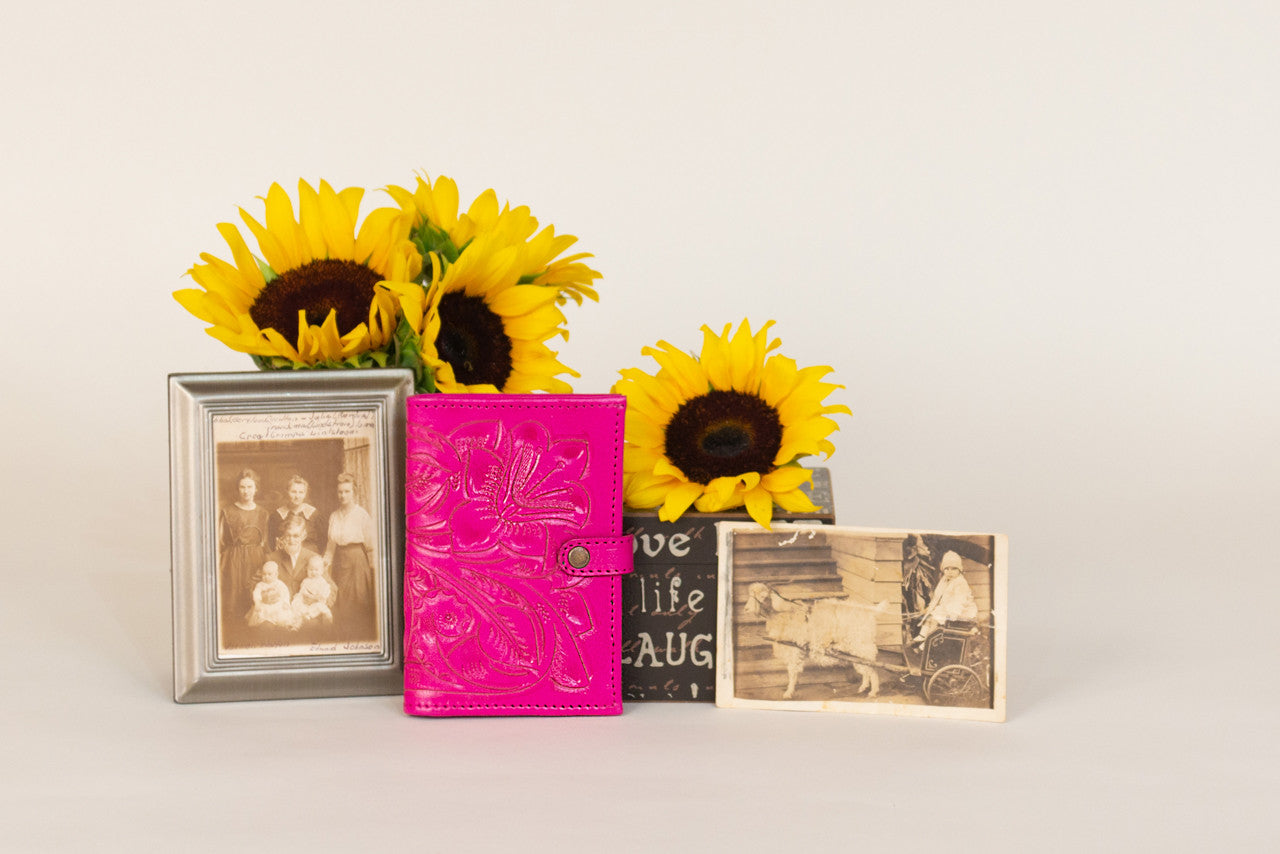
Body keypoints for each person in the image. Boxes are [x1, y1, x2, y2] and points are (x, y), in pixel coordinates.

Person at [325, 473, 376, 639]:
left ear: (354, 492)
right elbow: (330, 545)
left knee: (358, 600)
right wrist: (325, 564)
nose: (343, 495)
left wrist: (371, 569)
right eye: (340, 492)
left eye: (347, 491)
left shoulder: (361, 515)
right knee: (340, 601)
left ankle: (359, 639)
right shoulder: (334, 516)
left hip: (357, 561)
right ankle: (342, 639)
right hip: (339, 562)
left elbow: (371, 545)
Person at [218, 468, 271, 623]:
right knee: (233, 602)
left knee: (254, 597)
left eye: (249, 487)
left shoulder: (263, 513)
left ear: (256, 489)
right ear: (238, 488)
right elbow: (220, 541)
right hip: (234, 559)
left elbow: (266, 542)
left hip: (256, 558)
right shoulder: (227, 511)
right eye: (242, 487)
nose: (246, 491)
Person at [913, 550, 978, 646]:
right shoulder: (944, 580)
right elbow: (937, 596)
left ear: (959, 570)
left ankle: (928, 642)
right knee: (930, 615)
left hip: (962, 611)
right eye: (947, 569)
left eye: (953, 569)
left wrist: (951, 614)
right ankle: (923, 635)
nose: (950, 572)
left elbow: (959, 601)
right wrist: (931, 608)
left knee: (935, 619)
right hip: (947, 607)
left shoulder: (960, 583)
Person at [265, 515, 322, 596]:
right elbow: (255, 584)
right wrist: (266, 597)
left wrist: (316, 599)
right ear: (283, 535)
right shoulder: (272, 558)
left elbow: (331, 588)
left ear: (303, 536)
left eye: (296, 536)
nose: (291, 540)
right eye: (288, 535)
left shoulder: (314, 558)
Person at [267, 475, 323, 555]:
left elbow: (323, 541)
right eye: (293, 492)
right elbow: (271, 542)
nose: (297, 496)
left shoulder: (314, 514)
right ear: (287, 492)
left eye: (301, 492)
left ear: (305, 494)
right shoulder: (277, 516)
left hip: (309, 556)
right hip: (285, 556)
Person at [246, 561, 299, 630]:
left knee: (282, 617)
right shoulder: (260, 585)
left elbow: (285, 593)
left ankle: (281, 627)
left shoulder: (279, 584)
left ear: (276, 574)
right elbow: (256, 594)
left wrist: (286, 602)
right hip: (265, 605)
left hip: (278, 605)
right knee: (263, 618)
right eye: (264, 574)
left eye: (269, 574)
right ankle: (267, 626)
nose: (266, 576)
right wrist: (257, 602)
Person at [292, 556, 334, 626]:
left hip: (316, 602)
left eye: (316, 570)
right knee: (296, 602)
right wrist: (299, 596)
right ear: (307, 569)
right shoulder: (305, 581)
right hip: (305, 602)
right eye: (311, 570)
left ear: (322, 571)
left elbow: (324, 595)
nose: (313, 572)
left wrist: (314, 598)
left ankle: (309, 615)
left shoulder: (322, 582)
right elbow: (302, 592)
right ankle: (299, 616)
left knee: (320, 607)